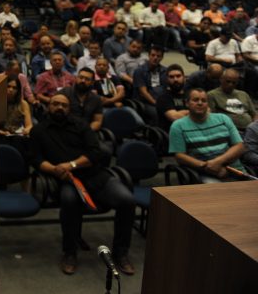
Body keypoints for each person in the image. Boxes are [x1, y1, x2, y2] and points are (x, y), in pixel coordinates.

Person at [29, 95, 136, 276]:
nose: (59, 108)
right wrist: (55, 169)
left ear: (69, 108)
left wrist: (71, 164)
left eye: (64, 105)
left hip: (96, 175)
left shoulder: (81, 125)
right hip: (66, 180)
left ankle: (121, 252)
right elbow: (36, 159)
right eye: (55, 104)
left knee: (127, 200)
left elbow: (95, 152)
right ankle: (69, 252)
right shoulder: (38, 130)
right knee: (69, 202)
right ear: (49, 107)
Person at [169, 88, 247, 183]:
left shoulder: (223, 119)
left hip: (234, 169)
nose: (200, 103)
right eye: (195, 100)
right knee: (219, 193)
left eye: (204, 100)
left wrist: (218, 162)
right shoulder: (178, 125)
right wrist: (208, 167)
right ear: (187, 103)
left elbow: (239, 146)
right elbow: (179, 156)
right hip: (204, 172)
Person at [156, 64, 189, 132]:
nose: (175, 79)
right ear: (167, 80)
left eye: (178, 76)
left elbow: (207, 110)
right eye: (171, 77)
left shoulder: (190, 94)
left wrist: (182, 113)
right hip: (173, 133)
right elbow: (175, 117)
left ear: (184, 78)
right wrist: (195, 112)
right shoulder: (163, 98)